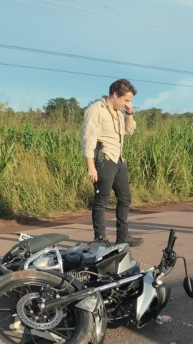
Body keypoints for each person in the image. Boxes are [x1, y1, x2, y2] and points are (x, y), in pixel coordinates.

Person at [81, 78, 144, 247]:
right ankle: (100, 239)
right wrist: (91, 166)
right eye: (126, 100)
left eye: (129, 101)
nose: (127, 104)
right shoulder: (95, 110)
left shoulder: (119, 111)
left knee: (125, 197)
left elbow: (129, 130)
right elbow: (88, 139)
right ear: (115, 94)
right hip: (103, 159)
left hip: (118, 159)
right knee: (102, 199)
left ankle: (123, 236)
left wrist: (129, 113)